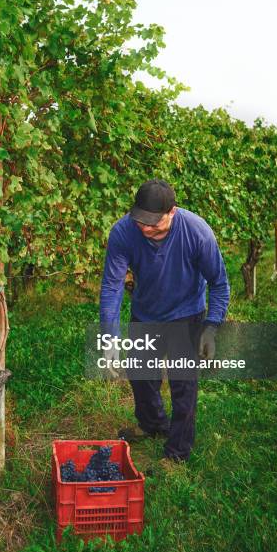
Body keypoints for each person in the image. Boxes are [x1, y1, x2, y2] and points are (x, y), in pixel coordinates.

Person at [99, 179, 230, 464]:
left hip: (187, 315)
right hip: (146, 314)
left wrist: (211, 326)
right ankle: (153, 425)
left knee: (184, 387)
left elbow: (218, 283)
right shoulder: (123, 232)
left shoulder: (197, 232)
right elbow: (112, 287)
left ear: (172, 212)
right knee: (141, 377)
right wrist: (109, 337)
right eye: (140, 222)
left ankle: (177, 453)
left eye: (153, 223)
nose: (145, 229)